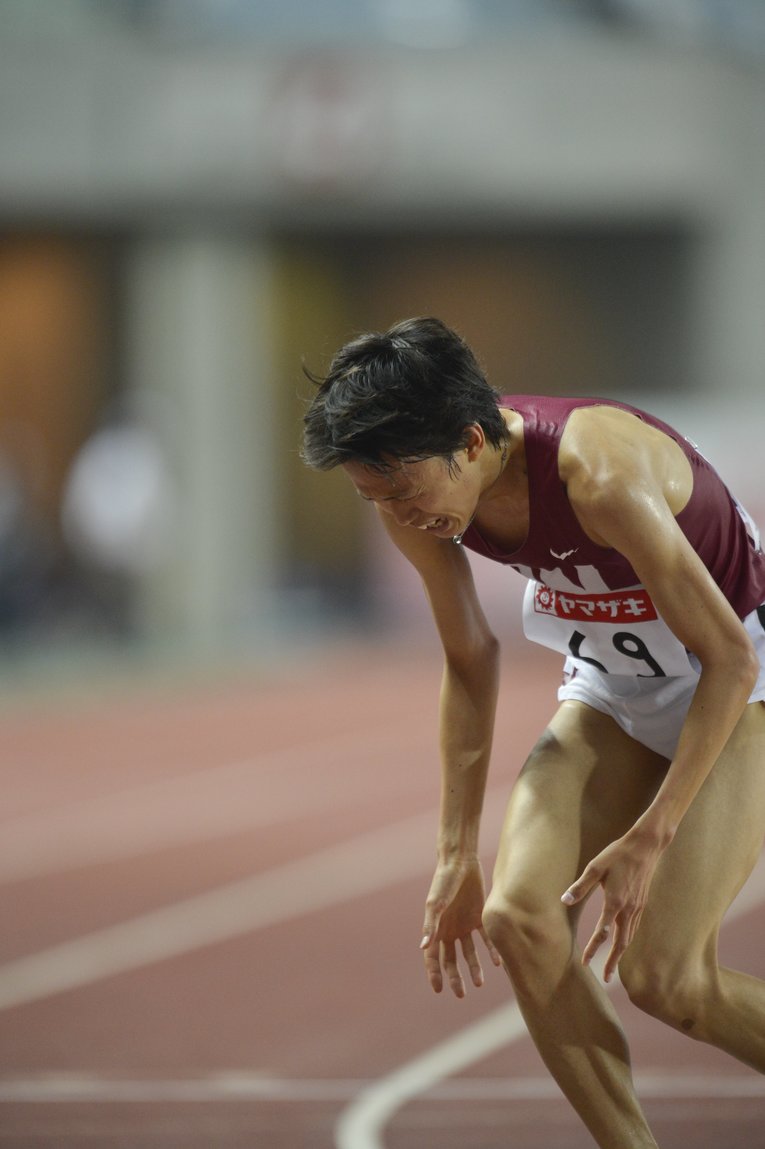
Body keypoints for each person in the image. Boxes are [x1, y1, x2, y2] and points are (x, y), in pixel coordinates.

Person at [301, 316, 765, 1149]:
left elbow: (727, 657)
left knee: (665, 978)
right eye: (375, 499)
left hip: (741, 679)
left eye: (404, 492)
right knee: (516, 917)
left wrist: (651, 834)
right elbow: (468, 656)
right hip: (612, 684)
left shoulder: (598, 473)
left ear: (471, 442)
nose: (398, 513)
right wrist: (453, 855)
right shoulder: (409, 489)